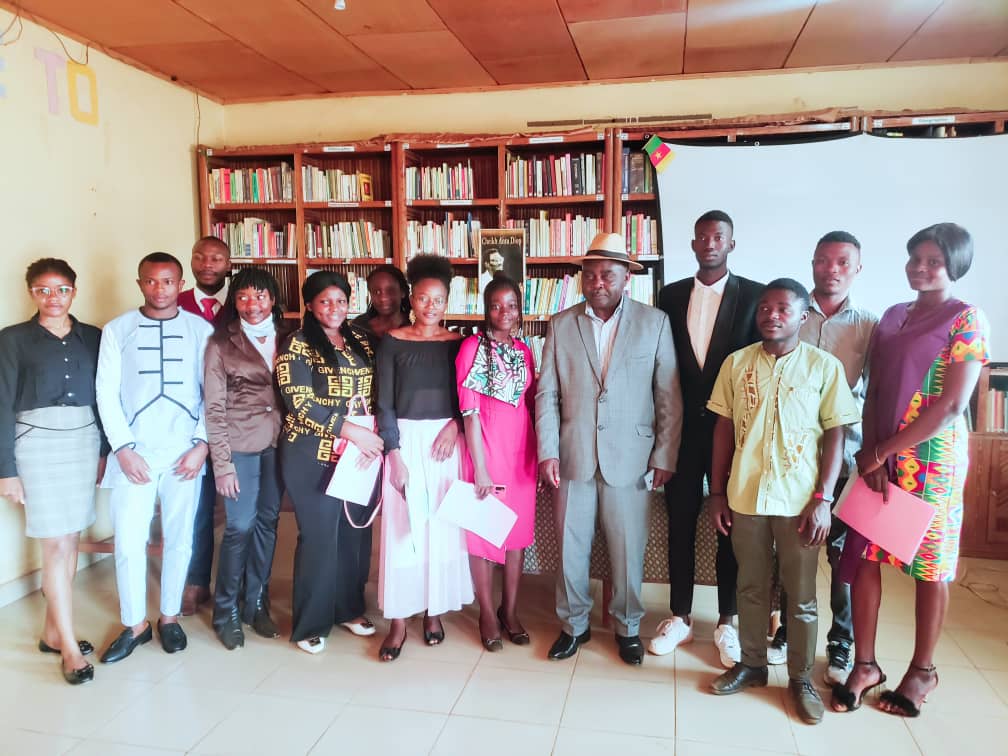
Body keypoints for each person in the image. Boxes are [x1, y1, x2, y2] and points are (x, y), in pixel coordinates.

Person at [833, 223, 989, 718]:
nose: (920, 268)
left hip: (931, 461)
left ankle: (922, 671)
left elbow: (952, 405)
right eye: (914, 259)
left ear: (954, 266)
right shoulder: (893, 316)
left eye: (933, 261)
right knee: (864, 557)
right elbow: (875, 388)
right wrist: (871, 453)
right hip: (878, 455)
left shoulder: (967, 319)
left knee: (929, 566)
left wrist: (883, 452)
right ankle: (865, 664)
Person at [706, 278, 860, 725]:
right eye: (765, 308)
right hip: (746, 496)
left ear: (802, 316)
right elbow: (722, 429)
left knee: (802, 596)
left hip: (800, 502)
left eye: (783, 309)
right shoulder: (736, 364)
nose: (771, 315)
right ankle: (752, 664)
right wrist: (717, 492)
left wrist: (823, 498)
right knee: (750, 587)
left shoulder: (824, 367)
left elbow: (836, 434)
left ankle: (800, 678)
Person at [537, 231, 682, 666]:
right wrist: (548, 450)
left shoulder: (654, 323)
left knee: (627, 549)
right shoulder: (561, 324)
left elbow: (668, 395)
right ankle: (573, 626)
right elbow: (547, 394)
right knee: (571, 549)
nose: (598, 282)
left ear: (626, 278)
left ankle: (628, 627)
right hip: (573, 455)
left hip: (631, 458)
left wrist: (664, 456)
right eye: (591, 274)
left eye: (608, 274)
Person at [654, 209, 763, 667]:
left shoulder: (754, 296)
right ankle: (679, 616)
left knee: (728, 528)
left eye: (719, 236)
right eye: (702, 236)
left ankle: (726, 621)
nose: (710, 243)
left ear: (731, 244)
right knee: (679, 522)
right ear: (693, 244)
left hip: (731, 433)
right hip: (681, 432)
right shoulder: (670, 295)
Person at [768, 232, 877, 685]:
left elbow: (876, 393)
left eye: (842, 262)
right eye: (822, 261)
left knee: (840, 555)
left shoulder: (869, 325)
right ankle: (786, 630)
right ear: (812, 263)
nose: (831, 269)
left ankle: (841, 640)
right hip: (791, 456)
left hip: (845, 457)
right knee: (789, 551)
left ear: (857, 268)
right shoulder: (792, 312)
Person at [96, 252, 213, 663]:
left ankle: (169, 617)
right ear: (139, 283)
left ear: (180, 284)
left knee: (180, 538)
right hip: (135, 454)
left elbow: (213, 392)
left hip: (185, 453)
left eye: (167, 281)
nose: (159, 288)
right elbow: (105, 393)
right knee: (129, 541)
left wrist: (202, 445)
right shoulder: (117, 330)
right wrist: (122, 449)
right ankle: (134, 625)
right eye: (151, 281)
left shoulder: (200, 329)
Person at [0, 259, 109, 685]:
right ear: (31, 293)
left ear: (74, 292)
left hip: (83, 442)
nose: (53, 298)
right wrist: (6, 470)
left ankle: (51, 632)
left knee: (71, 538)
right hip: (36, 445)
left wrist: (104, 451)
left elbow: (104, 397)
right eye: (43, 290)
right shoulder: (13, 340)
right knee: (56, 545)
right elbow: (2, 405)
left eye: (61, 289)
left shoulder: (93, 337)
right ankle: (68, 647)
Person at [276, 271, 382, 655]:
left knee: (354, 536)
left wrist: (371, 435)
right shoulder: (297, 344)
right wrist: (351, 431)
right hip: (312, 454)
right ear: (309, 304)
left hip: (357, 454)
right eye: (324, 301)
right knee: (320, 537)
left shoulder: (361, 340)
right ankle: (311, 623)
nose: (334, 308)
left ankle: (348, 609)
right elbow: (299, 402)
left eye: (341, 300)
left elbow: (376, 391)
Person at [376, 254, 473, 661]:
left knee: (440, 528)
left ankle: (434, 612)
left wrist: (456, 426)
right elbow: (384, 403)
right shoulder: (393, 341)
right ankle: (399, 621)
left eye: (438, 300)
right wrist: (394, 453)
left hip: (445, 446)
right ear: (411, 300)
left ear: (448, 302)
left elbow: (467, 399)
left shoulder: (458, 344)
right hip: (405, 444)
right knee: (402, 531)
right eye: (422, 298)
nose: (430, 306)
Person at [204, 268, 292, 650]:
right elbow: (213, 407)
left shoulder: (290, 337)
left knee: (267, 523)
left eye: (260, 296)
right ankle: (225, 611)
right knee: (239, 525)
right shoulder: (221, 343)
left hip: (281, 444)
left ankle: (256, 603)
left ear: (273, 299)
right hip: (239, 445)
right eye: (243, 296)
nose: (252, 303)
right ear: (234, 301)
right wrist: (222, 465)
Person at [456, 273, 537, 650]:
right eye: (495, 305)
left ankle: (510, 610)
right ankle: (487, 613)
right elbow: (469, 413)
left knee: (516, 538)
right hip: (486, 452)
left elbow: (531, 404)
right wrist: (481, 469)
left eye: (512, 305)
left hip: (522, 455)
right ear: (485, 310)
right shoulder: (471, 347)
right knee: (483, 534)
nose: (505, 312)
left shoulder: (524, 350)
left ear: (520, 309)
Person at [178, 235, 232, 615]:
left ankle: (239, 584)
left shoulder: (245, 300)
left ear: (228, 264)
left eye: (216, 258)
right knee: (197, 504)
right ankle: (196, 581)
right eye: (200, 257)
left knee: (241, 509)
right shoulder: (175, 302)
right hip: (190, 417)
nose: (208, 264)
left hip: (237, 417)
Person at [353, 264, 410, 339]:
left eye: (390, 291)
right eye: (377, 292)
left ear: (402, 292)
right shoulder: (358, 327)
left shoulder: (414, 326)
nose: (383, 298)